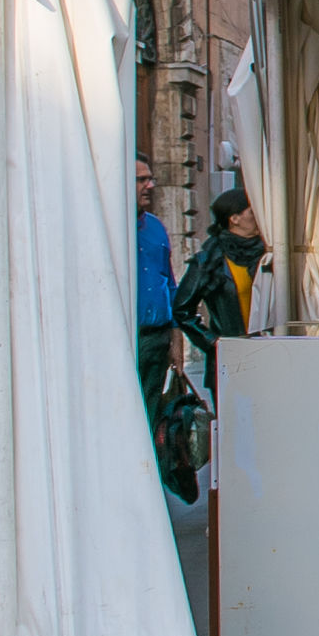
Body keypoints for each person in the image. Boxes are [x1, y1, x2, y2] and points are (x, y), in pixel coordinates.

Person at [175, 190, 267, 393]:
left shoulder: (268, 253)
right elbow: (182, 309)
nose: (258, 217)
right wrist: (211, 342)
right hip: (229, 358)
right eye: (252, 212)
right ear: (234, 219)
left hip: (267, 353)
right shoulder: (210, 259)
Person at [136, 157, 178, 438]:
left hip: (157, 337)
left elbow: (169, 282)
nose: (149, 185)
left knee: (152, 410)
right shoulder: (107, 229)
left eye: (150, 179)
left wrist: (176, 336)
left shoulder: (155, 227)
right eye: (141, 180)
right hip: (129, 338)